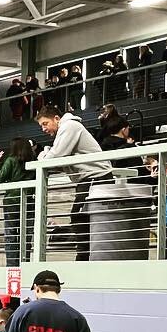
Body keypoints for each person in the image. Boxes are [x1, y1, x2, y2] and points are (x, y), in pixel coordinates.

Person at [36, 105, 112, 261]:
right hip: (89, 179)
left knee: (78, 217)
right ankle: (87, 257)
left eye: (45, 123)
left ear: (56, 118)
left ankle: (84, 259)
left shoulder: (69, 126)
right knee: (82, 218)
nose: (43, 129)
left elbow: (54, 158)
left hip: (96, 177)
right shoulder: (65, 130)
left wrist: (43, 155)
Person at [0, 139, 34, 266]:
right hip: (29, 201)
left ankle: (11, 267)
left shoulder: (11, 160)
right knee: (25, 235)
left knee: (10, 234)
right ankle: (24, 263)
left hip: (11, 201)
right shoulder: (34, 161)